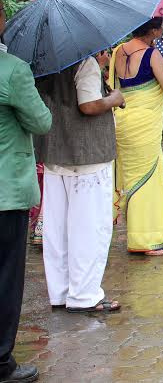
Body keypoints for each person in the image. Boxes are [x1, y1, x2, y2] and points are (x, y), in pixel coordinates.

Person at [33, 54, 125, 313]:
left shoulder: (43, 63)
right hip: (87, 156)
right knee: (89, 229)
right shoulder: (85, 62)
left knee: (58, 231)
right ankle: (84, 294)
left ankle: (61, 292)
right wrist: (114, 98)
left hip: (55, 154)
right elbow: (89, 104)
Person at [0, 17, 52, 383]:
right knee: (5, 278)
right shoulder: (12, 70)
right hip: (6, 193)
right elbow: (41, 121)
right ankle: (2, 361)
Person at [110, 17, 163, 255]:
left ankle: (158, 233)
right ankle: (144, 240)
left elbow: (113, 84)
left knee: (132, 177)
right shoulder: (151, 54)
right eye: (160, 27)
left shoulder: (118, 51)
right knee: (147, 179)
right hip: (144, 123)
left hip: (122, 120)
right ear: (154, 31)